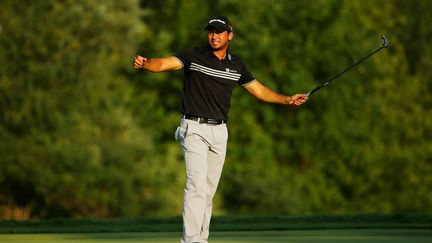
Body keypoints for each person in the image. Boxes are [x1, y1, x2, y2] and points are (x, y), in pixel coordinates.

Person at [133, 16, 308, 243]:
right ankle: (191, 241)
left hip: (220, 132)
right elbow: (164, 63)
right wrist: (146, 63)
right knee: (195, 186)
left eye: (219, 32)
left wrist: (287, 99)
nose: (214, 36)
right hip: (193, 128)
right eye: (211, 32)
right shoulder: (194, 56)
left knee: (207, 191)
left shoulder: (237, 65)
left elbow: (259, 91)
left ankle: (201, 239)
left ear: (229, 35)